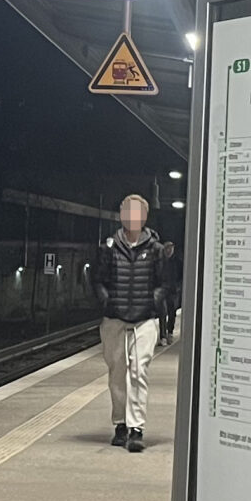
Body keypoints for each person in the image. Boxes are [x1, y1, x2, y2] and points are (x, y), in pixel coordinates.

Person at [95, 194, 175, 452]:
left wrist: (152, 302)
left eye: (137, 212)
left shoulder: (156, 249)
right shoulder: (108, 247)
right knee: (117, 372)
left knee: (140, 370)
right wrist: (108, 302)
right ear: (121, 215)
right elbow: (97, 279)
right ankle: (120, 423)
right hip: (114, 317)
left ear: (144, 216)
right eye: (127, 211)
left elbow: (165, 283)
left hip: (145, 318)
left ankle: (136, 427)